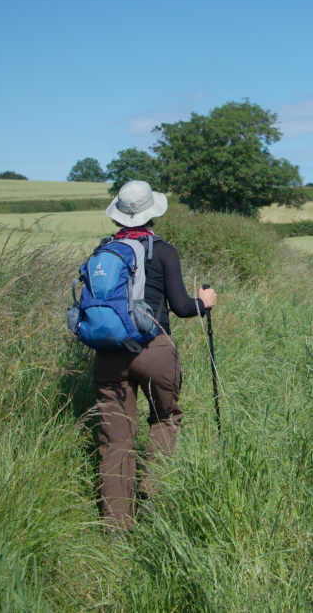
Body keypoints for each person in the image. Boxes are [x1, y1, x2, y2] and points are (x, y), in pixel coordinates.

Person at [91, 180, 216, 531]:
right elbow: (181, 307)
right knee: (164, 420)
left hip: (109, 352)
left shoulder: (103, 251)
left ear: (119, 215)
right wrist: (203, 303)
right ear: (152, 213)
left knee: (116, 439)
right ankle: (155, 500)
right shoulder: (162, 250)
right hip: (154, 348)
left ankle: (117, 527)